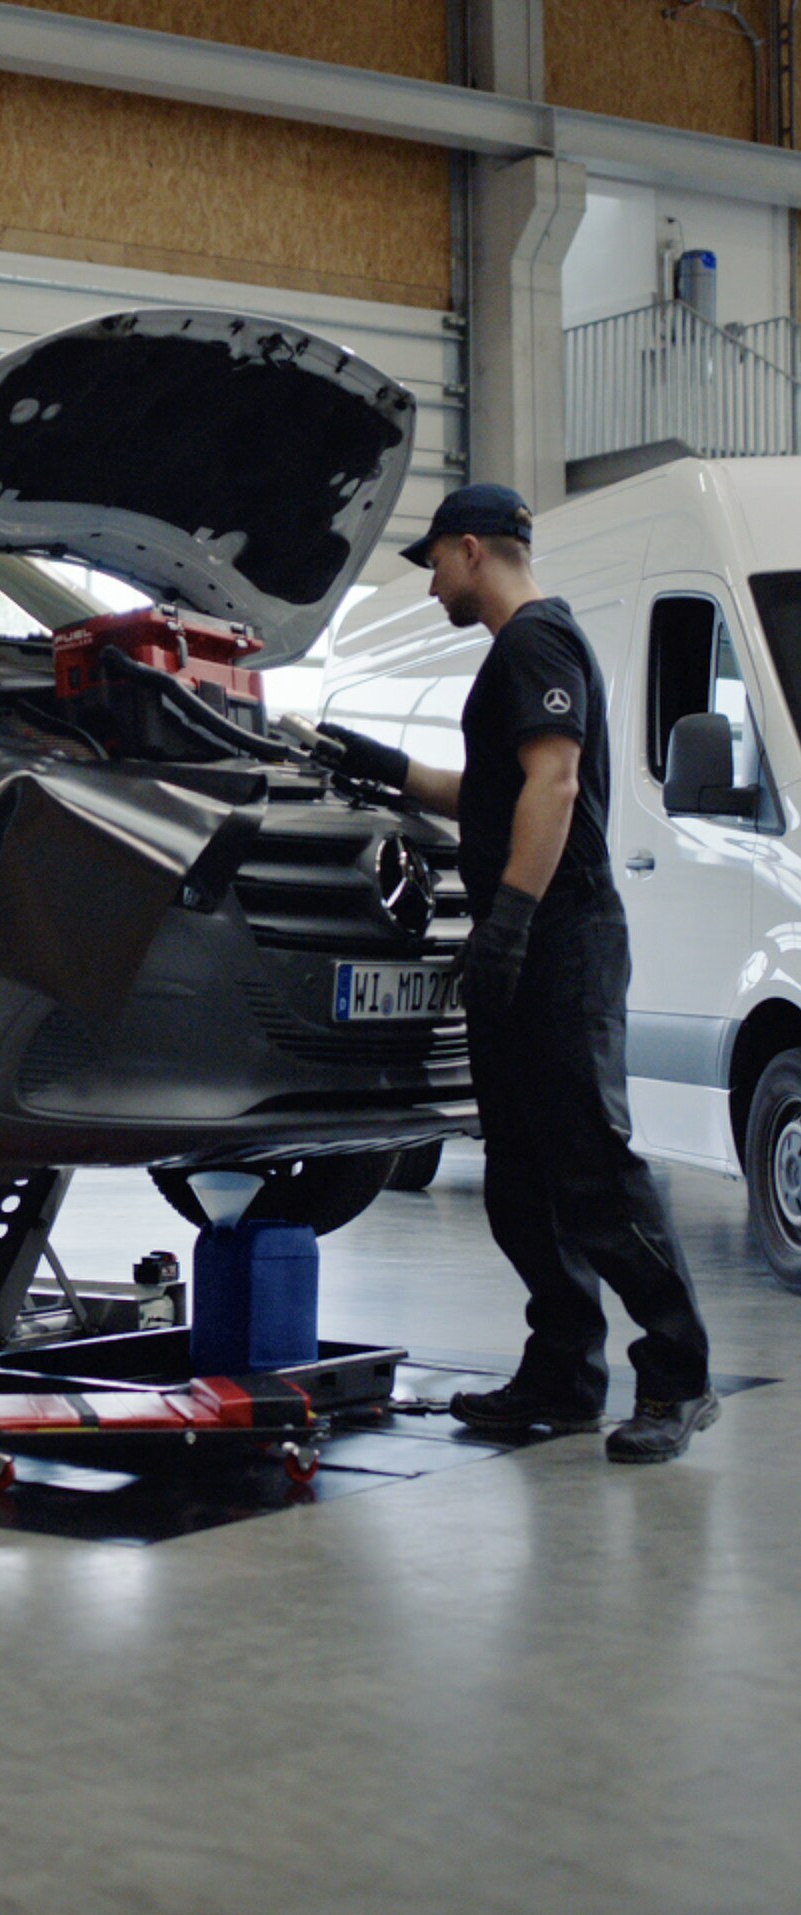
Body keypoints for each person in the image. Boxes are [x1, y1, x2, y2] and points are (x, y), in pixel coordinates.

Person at [322, 483, 716, 1465]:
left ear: (471, 549)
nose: (432, 589)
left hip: (560, 934)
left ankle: (678, 1376)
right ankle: (563, 1374)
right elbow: (494, 789)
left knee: (591, 1168)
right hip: (528, 933)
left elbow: (555, 780)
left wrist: (509, 925)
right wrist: (385, 768)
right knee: (522, 1180)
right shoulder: (515, 653)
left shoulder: (535, 639)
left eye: (434, 567)